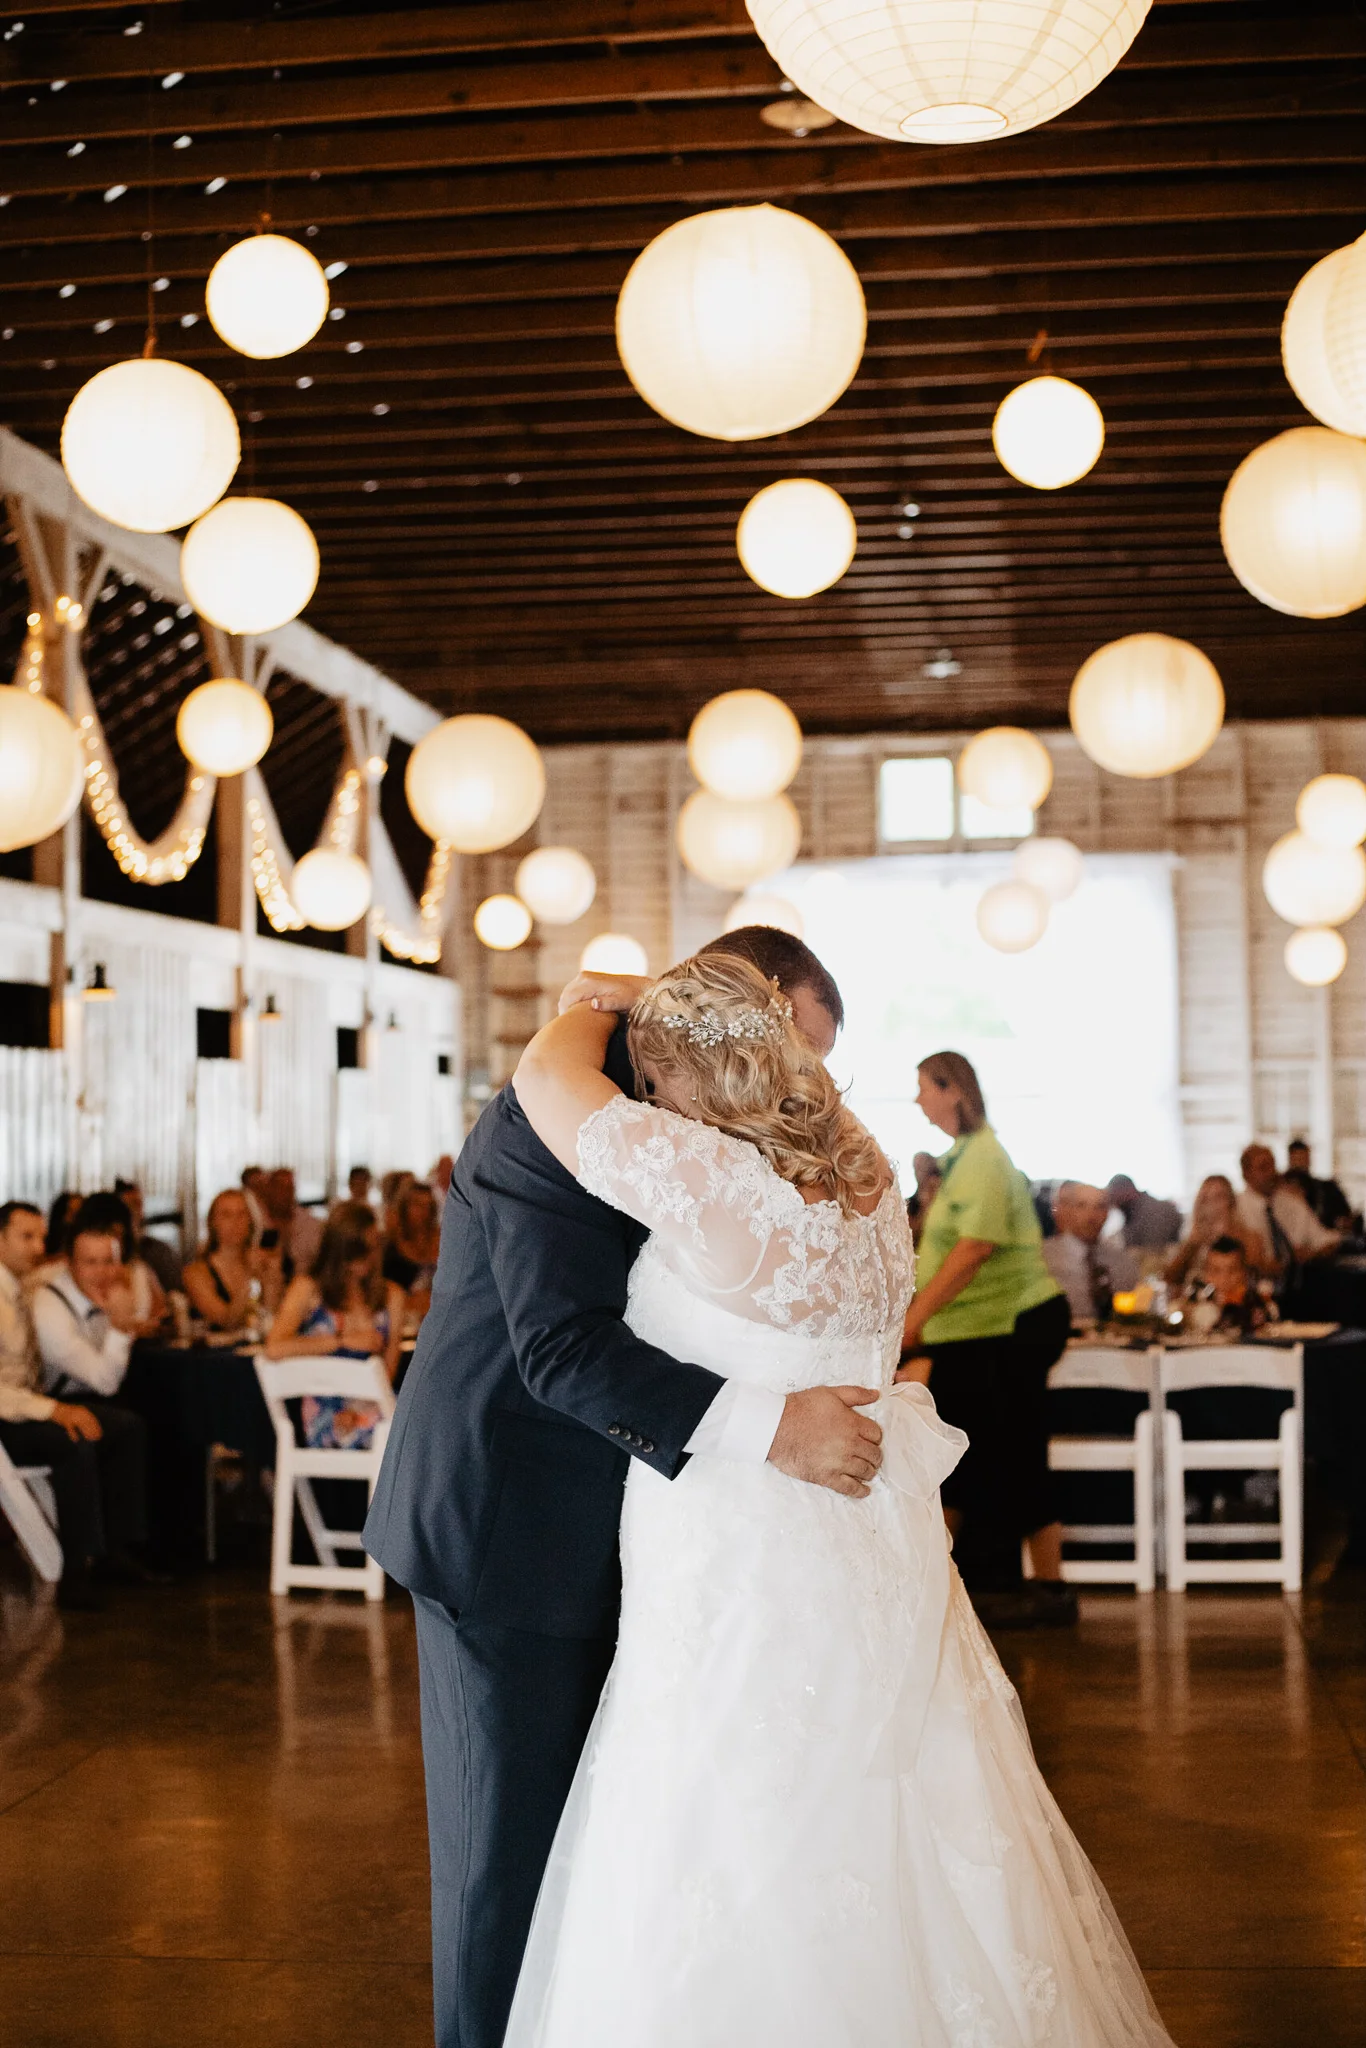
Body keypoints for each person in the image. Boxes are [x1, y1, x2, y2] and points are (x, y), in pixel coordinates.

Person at [496, 952, 1176, 2048]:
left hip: (739, 1554)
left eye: (657, 1080)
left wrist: (590, 1004)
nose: (651, 1100)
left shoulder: (708, 1178)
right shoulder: (865, 1167)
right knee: (904, 1801)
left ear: (688, 1076)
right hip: (872, 1545)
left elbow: (542, 1077)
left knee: (736, 1812)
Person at [364, 928, 881, 2048]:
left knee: (606, 1862)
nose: (788, 1092)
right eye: (784, 1051)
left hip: (652, 1529)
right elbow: (561, 1349)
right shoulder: (551, 1108)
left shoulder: (696, 1108)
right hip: (510, 1525)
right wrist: (778, 1425)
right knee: (509, 1866)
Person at [900, 1052, 1074, 1613]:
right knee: (970, 1455)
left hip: (1011, 1321)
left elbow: (974, 1248)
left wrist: (915, 1318)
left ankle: (1046, 1586)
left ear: (953, 1091)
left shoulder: (983, 1158)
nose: (917, 1099)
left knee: (1015, 1450)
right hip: (972, 1329)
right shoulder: (958, 1159)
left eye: (924, 1087)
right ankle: (946, 1580)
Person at [0, 1201, 147, 1612]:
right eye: (26, 1237)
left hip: (27, 1408)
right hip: (7, 1419)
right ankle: (77, 1569)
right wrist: (54, 1411)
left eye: (41, 1237)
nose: (38, 1247)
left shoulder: (20, 1285)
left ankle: (117, 1550)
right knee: (71, 1439)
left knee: (126, 1426)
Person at [28, 1207, 161, 1588]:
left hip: (87, 1392)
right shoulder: (50, 1307)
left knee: (150, 1413)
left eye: (109, 1262)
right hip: (45, 1404)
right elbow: (104, 1382)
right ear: (70, 1264)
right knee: (114, 1425)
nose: (102, 1272)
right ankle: (90, 1558)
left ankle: (132, 1544)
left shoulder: (113, 1290)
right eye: (90, 1262)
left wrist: (124, 1319)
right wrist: (120, 1326)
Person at [266, 1202, 404, 1449]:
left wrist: (360, 1406)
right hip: (325, 1409)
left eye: (373, 1247)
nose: (367, 1259)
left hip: (374, 1403)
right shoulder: (308, 1289)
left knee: (413, 1423)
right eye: (358, 1250)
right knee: (398, 1432)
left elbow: (388, 1370)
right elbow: (274, 1348)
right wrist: (342, 1341)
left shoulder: (391, 1296)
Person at [1236, 1142, 1342, 1272]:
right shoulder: (1236, 1208)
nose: (1271, 1173)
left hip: (1297, 1278)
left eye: (1273, 1165)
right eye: (1263, 1167)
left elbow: (1327, 1240)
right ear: (1246, 1174)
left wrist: (1311, 1254)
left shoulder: (1291, 1202)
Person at [75, 1190, 167, 1338]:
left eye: (119, 1235)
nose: (114, 1242)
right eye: (107, 1233)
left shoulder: (139, 1270)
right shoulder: (78, 1274)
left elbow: (161, 1314)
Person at [183, 1188, 275, 1333]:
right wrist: (250, 1277)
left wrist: (270, 1278)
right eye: (226, 1215)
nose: (235, 1222)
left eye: (242, 1214)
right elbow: (226, 1322)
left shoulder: (262, 1262)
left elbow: (274, 1314)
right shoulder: (195, 1273)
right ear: (213, 1222)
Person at [1042, 1180, 1134, 1324]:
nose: (1091, 1216)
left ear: (1108, 1213)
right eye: (1081, 1206)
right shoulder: (1044, 1258)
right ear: (1068, 1211)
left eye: (1100, 1207)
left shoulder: (1121, 1261)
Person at [1165, 1173, 1271, 1289]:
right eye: (1205, 1199)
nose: (1212, 1205)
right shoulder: (1193, 1241)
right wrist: (1191, 1245)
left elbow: (1257, 1273)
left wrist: (1229, 1232)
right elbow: (1169, 1278)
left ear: (1231, 1202)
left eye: (1218, 1197)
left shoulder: (1250, 1237)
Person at [114, 1177, 183, 1294]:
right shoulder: (109, 1252)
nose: (134, 1210)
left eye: (138, 1204)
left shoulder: (159, 1251)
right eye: (128, 1205)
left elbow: (176, 1292)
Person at [1196, 1235, 1276, 1336]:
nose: (1224, 1279)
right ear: (1205, 1273)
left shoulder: (1260, 1305)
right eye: (1215, 1271)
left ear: (1244, 1272)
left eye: (1232, 1270)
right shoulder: (1194, 1305)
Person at [263, 1167, 323, 1276]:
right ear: (269, 1190)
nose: (285, 1194)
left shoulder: (311, 1224)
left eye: (290, 1188)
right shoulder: (257, 1223)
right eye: (280, 1187)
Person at [1284, 1137, 1353, 1233]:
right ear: (1290, 1160)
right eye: (1297, 1159)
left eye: (1304, 1159)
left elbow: (1346, 1217)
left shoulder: (1328, 1189)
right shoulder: (1278, 1191)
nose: (1300, 1164)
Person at [1105, 1174, 1182, 1250]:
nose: (1114, 1202)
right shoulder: (1131, 1212)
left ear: (1128, 1189)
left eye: (1113, 1195)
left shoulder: (1157, 1210)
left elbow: (1153, 1249)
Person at [905, 1149, 942, 1243]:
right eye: (917, 1167)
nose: (922, 1171)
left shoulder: (946, 1195)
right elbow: (910, 1236)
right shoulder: (908, 1204)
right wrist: (926, 1205)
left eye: (926, 1164)